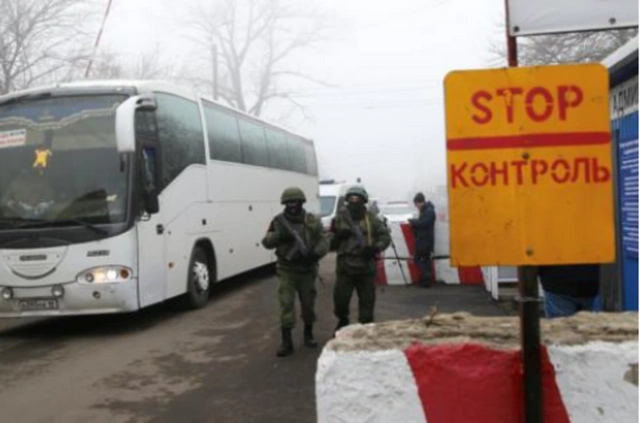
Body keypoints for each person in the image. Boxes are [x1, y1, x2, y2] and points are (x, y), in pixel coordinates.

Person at [262, 187, 329, 357]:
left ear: (301, 202)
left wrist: (315, 254)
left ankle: (308, 334)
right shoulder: (278, 221)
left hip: (307, 270)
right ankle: (286, 341)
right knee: (286, 303)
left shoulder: (311, 220)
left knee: (308, 304)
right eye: (289, 202)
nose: (292, 205)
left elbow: (324, 239)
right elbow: (266, 242)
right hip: (287, 269)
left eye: (295, 202)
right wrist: (280, 236)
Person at [330, 185, 391, 333]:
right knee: (340, 302)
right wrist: (337, 236)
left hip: (366, 267)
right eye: (351, 199)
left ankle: (365, 330)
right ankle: (343, 321)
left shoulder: (372, 219)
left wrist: (375, 248)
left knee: (367, 304)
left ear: (363, 201)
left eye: (357, 199)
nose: (354, 202)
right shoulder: (339, 219)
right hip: (345, 268)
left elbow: (385, 237)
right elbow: (328, 242)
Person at [409, 192, 436, 288]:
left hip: (424, 240)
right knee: (426, 260)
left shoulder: (428, 211)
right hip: (426, 239)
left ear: (420, 202)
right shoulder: (427, 210)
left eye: (416, 205)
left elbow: (424, 223)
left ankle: (426, 274)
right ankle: (426, 281)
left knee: (417, 259)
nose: (416, 207)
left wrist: (412, 222)